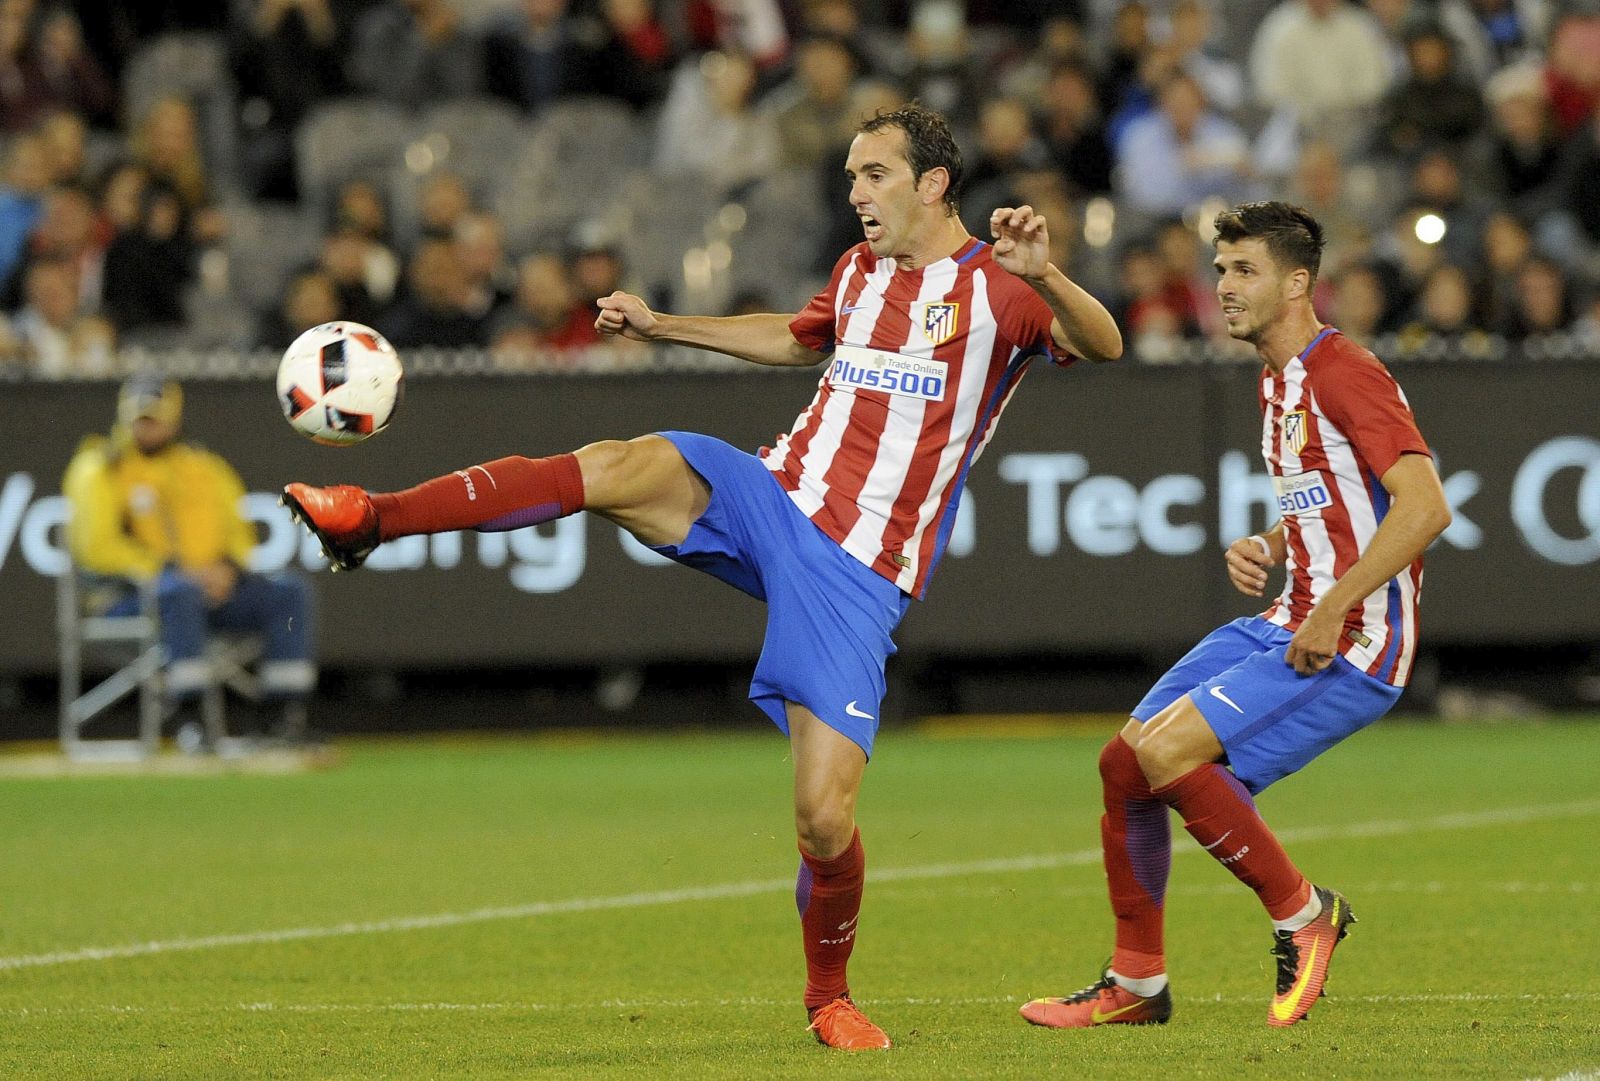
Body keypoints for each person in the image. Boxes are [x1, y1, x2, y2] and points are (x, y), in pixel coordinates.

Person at [279, 104, 1122, 1050]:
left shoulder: (1000, 288)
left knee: (822, 817)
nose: (855, 193)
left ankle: (828, 996)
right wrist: (662, 324)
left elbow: (1105, 346)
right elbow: (801, 338)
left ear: (932, 184)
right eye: (851, 175)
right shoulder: (858, 272)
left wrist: (1046, 270)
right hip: (772, 493)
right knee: (617, 464)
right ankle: (373, 516)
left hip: (857, 570)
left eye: (874, 175)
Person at [1019, 201, 1451, 1031]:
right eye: (1220, 269)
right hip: (1287, 617)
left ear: (1298, 282)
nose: (1224, 286)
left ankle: (1304, 915)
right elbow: (1341, 502)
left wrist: (1333, 602)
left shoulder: (1342, 370)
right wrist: (1275, 540)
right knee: (1123, 763)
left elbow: (1424, 507)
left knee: (1168, 750)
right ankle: (1137, 984)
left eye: (1244, 269)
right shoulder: (1278, 377)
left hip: (1353, 640)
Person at [62, 377, 317, 742]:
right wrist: (174, 572)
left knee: (288, 592)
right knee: (178, 593)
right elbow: (97, 547)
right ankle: (188, 719)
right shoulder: (100, 468)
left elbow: (238, 533)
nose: (146, 427)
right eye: (139, 418)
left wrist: (227, 570)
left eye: (155, 418)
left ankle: (284, 717)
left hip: (206, 594)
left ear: (175, 419)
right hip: (128, 599)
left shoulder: (204, 466)